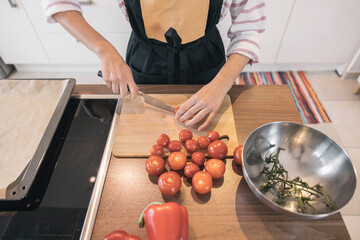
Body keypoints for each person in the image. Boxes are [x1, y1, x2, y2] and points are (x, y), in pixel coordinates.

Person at [41, 0, 265, 131]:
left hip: (206, 58)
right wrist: (104, 50)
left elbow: (250, 27)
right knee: (146, 129)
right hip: (145, 58)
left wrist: (219, 86)